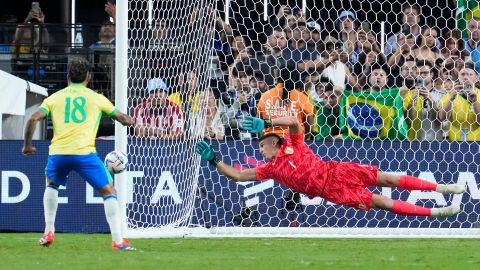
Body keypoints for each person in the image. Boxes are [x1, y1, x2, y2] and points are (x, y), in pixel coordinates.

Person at [195, 115, 465, 217]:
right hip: (331, 191)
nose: (259, 149)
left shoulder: (293, 142)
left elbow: (294, 121)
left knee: (389, 179)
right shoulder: (270, 170)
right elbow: (239, 176)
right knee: (381, 202)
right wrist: (215, 160)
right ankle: (436, 212)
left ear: (274, 142)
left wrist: (266, 124)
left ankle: (443, 187)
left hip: (336, 170)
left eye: (262, 144)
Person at [22, 58, 135, 250]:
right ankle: (117, 241)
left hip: (58, 154)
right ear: (88, 77)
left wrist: (27, 145)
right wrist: (130, 121)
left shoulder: (54, 98)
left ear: (67, 76)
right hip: (84, 154)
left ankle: (48, 231)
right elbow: (122, 118)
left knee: (51, 185)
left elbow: (33, 118)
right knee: (109, 191)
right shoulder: (97, 98)